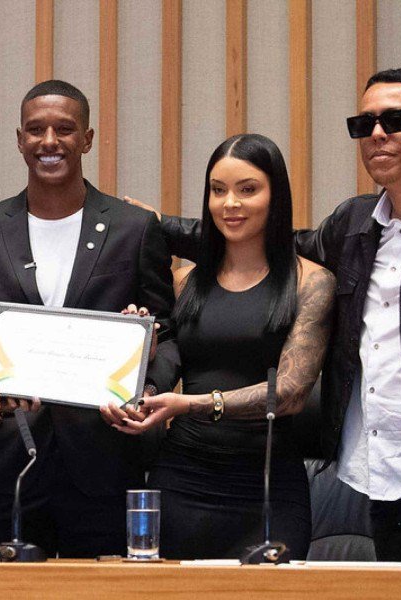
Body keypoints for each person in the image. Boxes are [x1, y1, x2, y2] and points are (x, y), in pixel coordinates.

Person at [130, 68, 401, 562]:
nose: (377, 134)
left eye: (396, 120)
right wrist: (149, 225)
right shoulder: (354, 225)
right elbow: (264, 241)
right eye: (365, 124)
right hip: (382, 478)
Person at [0, 80, 176, 558]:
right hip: (10, 459)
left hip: (104, 460)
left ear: (88, 139)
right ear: (19, 140)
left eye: (64, 129)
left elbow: (170, 336)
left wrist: (145, 387)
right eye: (36, 130)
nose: (49, 142)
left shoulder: (133, 228)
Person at [109, 134, 335, 559]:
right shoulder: (184, 282)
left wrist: (191, 404)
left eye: (247, 189)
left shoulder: (311, 283)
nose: (230, 203)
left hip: (268, 486)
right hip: (181, 479)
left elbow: (288, 394)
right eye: (218, 190)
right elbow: (163, 371)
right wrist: (138, 351)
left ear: (276, 195)